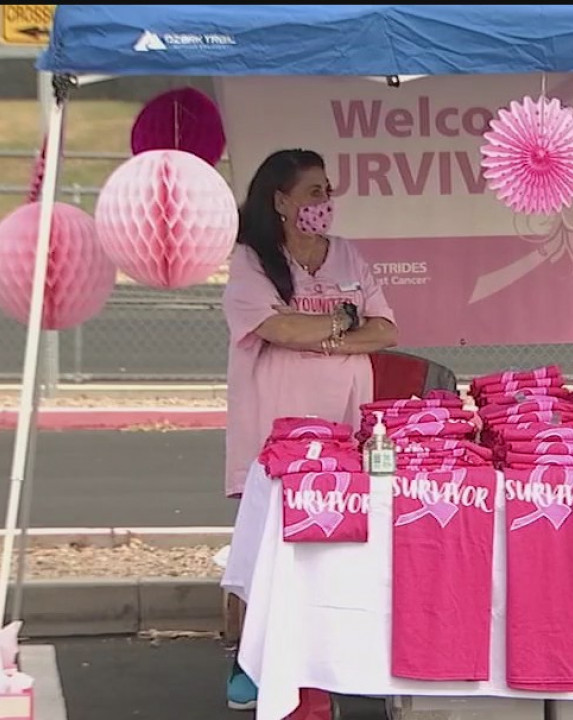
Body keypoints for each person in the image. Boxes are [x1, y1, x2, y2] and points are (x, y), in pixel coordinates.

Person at [220, 148, 398, 714]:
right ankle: (250, 661)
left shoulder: (348, 255)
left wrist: (323, 335)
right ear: (281, 200)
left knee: (335, 544)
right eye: (314, 191)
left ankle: (325, 660)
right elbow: (273, 325)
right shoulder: (252, 259)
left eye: (327, 190)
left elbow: (386, 331)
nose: (325, 202)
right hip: (275, 424)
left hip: (341, 422)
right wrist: (344, 324)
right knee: (265, 545)